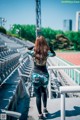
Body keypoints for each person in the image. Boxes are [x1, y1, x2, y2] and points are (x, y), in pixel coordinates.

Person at [28, 36, 56, 120]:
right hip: (44, 75)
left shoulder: (33, 52)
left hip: (35, 75)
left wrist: (34, 46)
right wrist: (50, 48)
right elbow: (54, 54)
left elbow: (26, 50)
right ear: (44, 42)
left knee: (37, 95)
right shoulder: (46, 52)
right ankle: (45, 109)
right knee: (44, 92)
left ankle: (40, 115)